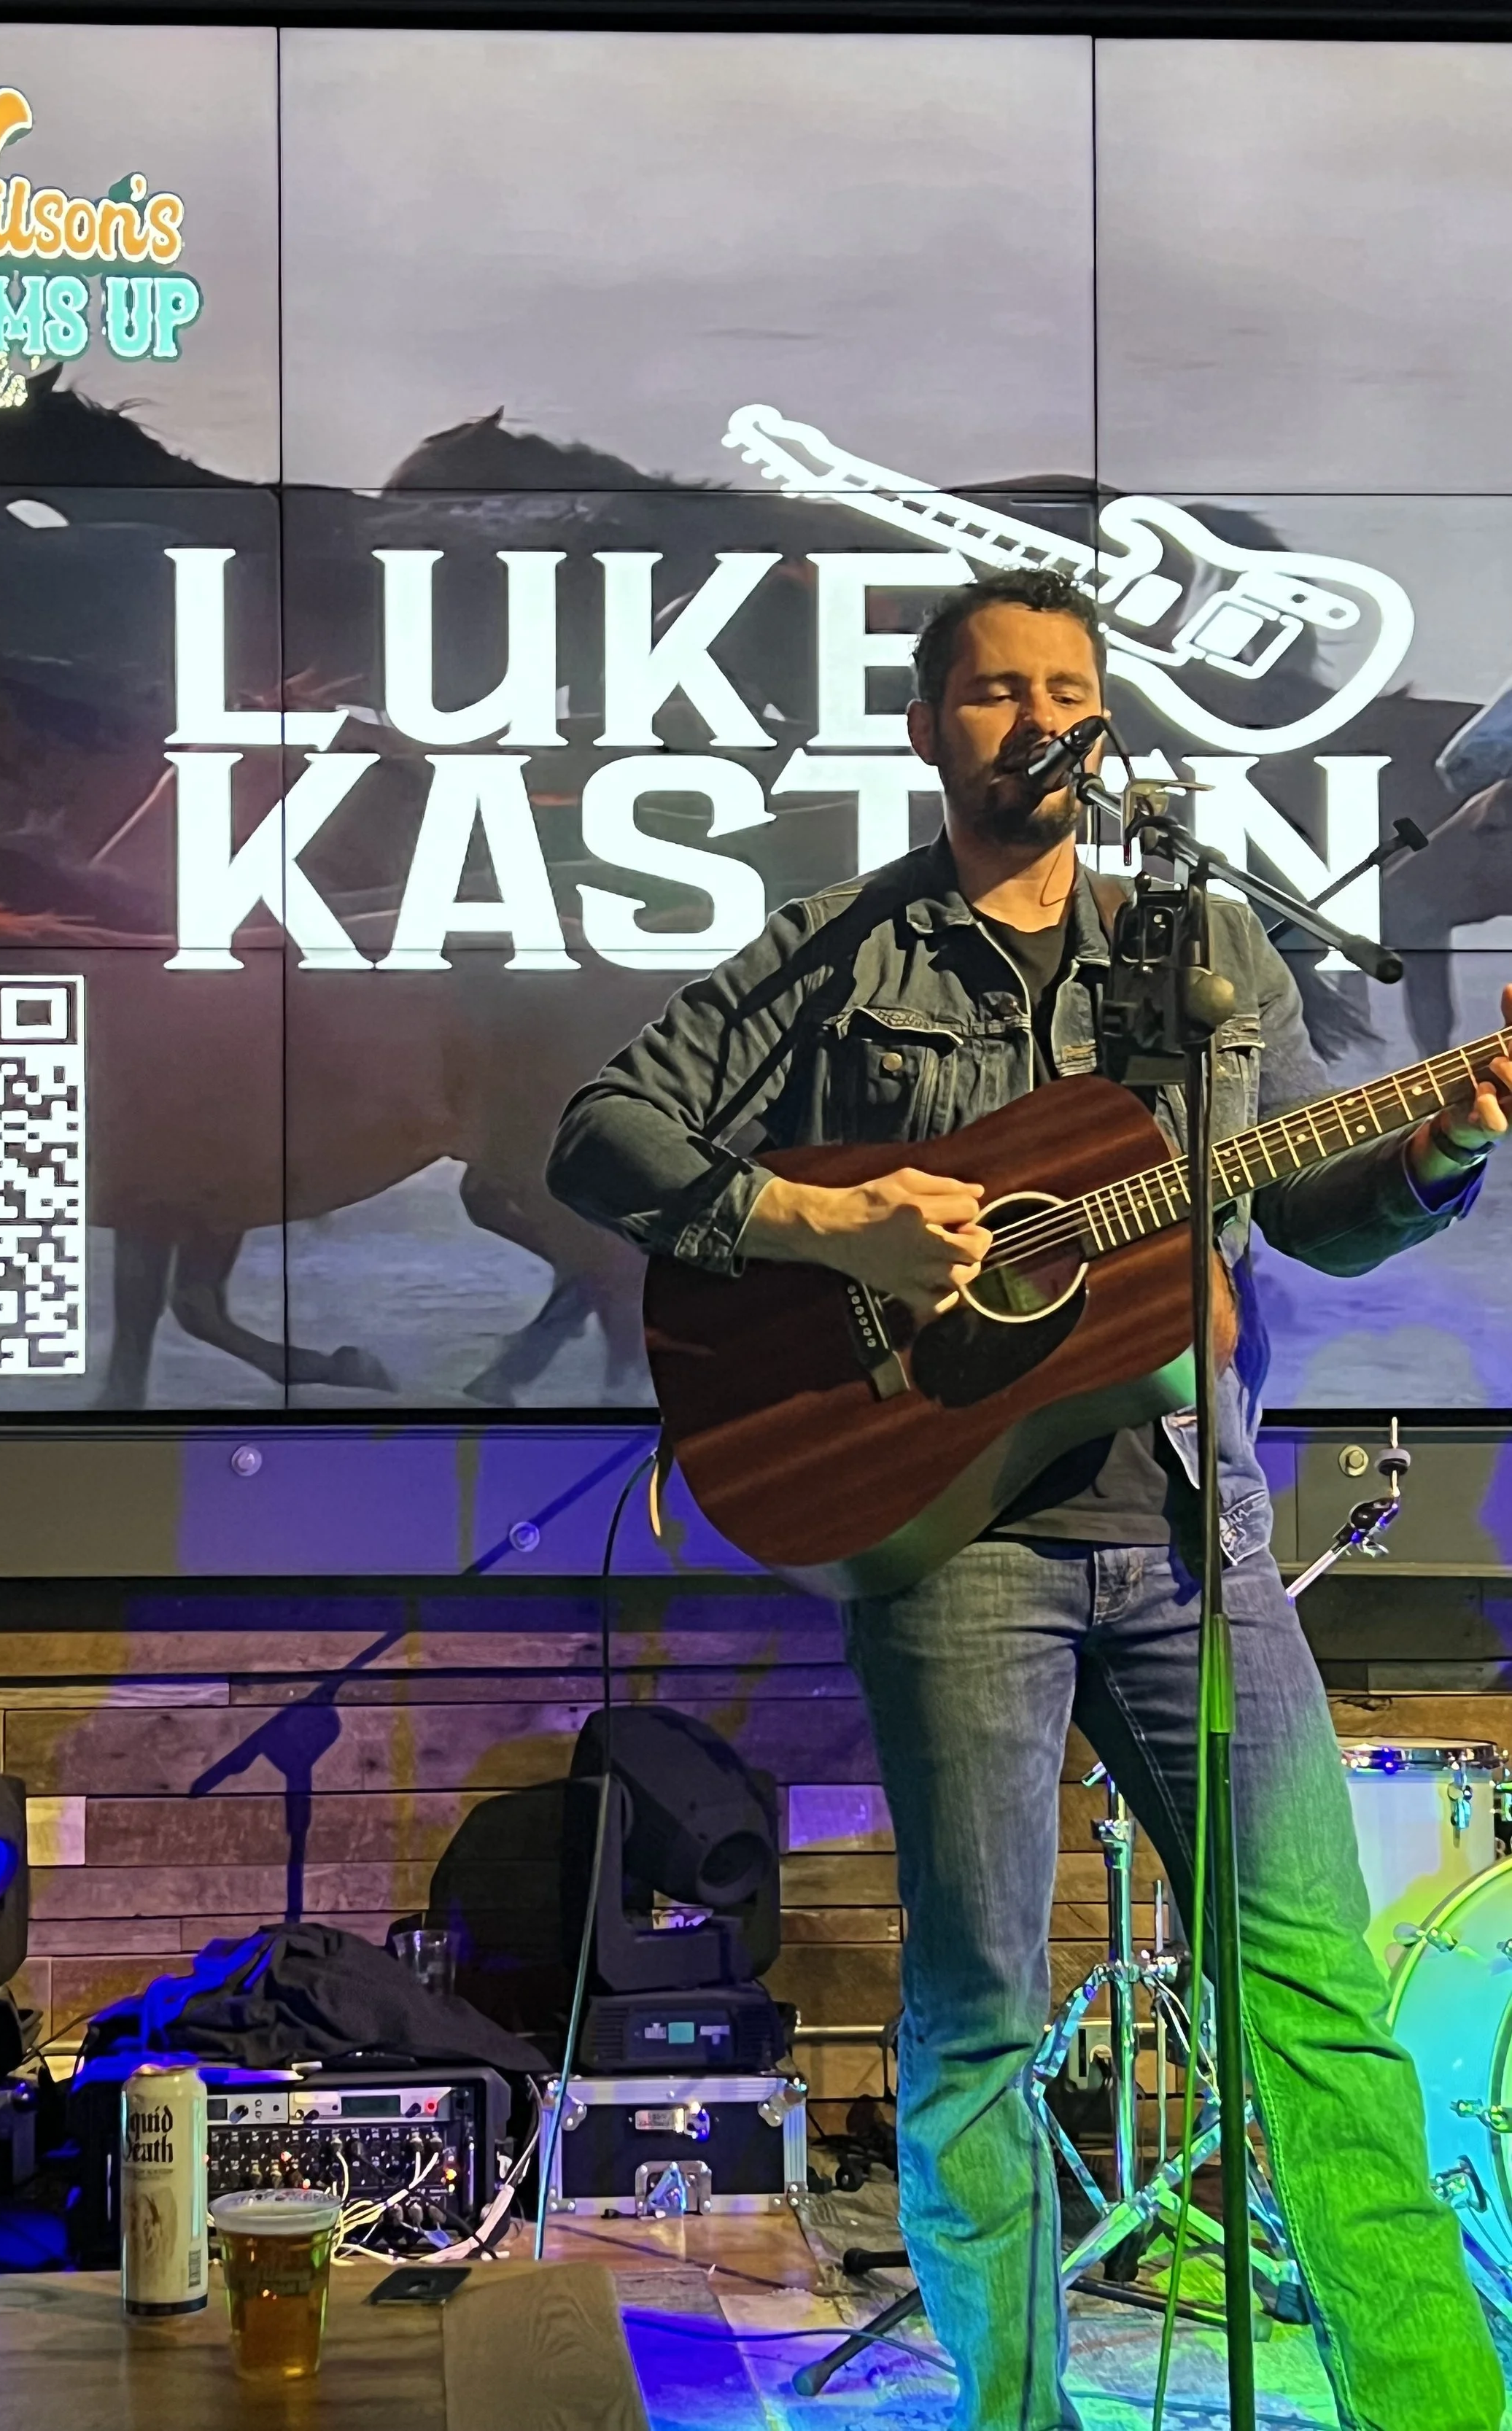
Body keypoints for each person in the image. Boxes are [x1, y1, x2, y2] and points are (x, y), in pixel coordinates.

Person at [546, 567, 1512, 2431]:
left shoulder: (1208, 948)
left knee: (1309, 1990)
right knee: (979, 2009)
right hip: (957, 1534)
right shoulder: (845, 950)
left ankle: (1436, 2407)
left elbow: (1308, 1192)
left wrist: (1447, 1133)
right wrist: (832, 1220)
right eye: (992, 690)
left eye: (1064, 685)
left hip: (1188, 1522)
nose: (1033, 715)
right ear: (928, 727)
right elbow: (605, 1129)